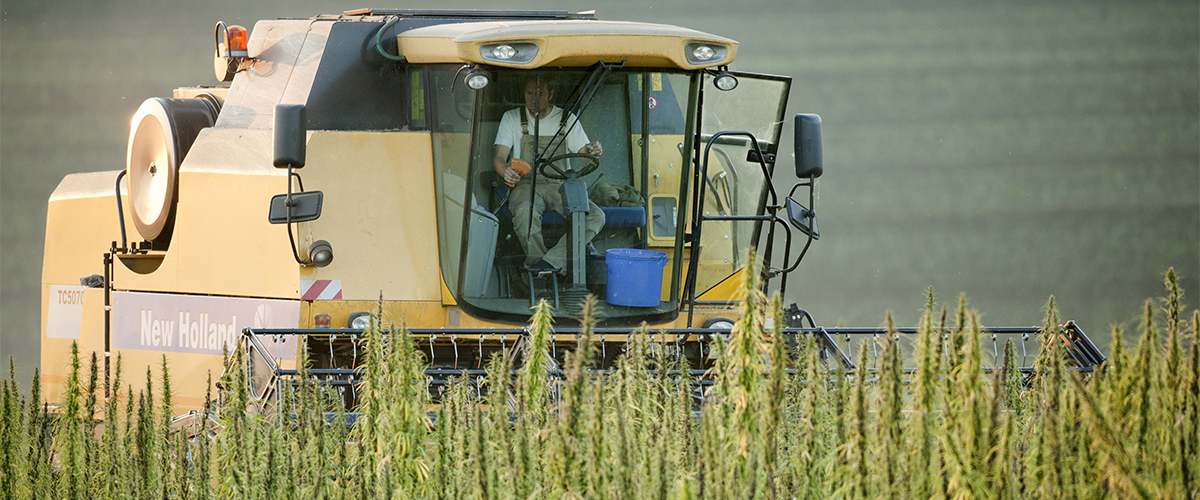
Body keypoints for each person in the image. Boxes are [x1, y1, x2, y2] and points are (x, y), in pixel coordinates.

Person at [493, 76, 605, 274]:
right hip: (527, 185)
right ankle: (543, 272)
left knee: (596, 216)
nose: (533, 99)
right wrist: (506, 171)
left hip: (559, 186)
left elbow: (586, 157)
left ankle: (547, 265)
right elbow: (499, 158)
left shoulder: (566, 119)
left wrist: (592, 150)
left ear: (551, 94)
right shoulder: (512, 117)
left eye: (540, 94)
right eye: (529, 93)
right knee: (524, 216)